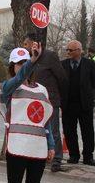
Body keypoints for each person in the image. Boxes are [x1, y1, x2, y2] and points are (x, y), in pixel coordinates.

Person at [0, 47, 55, 183]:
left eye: (27, 63)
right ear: (12, 66)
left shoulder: (42, 89)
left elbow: (46, 119)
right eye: (20, 63)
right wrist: (31, 60)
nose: (24, 66)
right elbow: (17, 80)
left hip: (37, 146)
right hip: (17, 146)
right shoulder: (9, 88)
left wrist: (51, 144)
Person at [24, 33, 67, 172]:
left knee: (53, 130)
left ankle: (57, 159)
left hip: (50, 100)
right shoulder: (29, 59)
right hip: (34, 101)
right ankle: (39, 155)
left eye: (26, 44)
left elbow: (62, 78)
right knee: (37, 130)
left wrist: (56, 95)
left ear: (34, 43)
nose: (25, 47)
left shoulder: (50, 56)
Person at [61, 40, 95, 166]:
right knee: (69, 131)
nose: (68, 52)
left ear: (79, 50)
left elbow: (94, 82)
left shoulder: (89, 64)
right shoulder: (63, 64)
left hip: (84, 104)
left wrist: (86, 93)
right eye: (67, 50)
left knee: (87, 131)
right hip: (68, 104)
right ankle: (73, 155)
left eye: (70, 50)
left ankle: (88, 156)